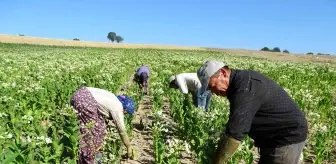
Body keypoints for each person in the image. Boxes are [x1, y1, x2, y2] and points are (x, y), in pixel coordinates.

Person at [196, 60, 308, 164]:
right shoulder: (238, 83)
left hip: (286, 137)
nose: (213, 92)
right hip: (271, 139)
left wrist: (217, 161)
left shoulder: (245, 86)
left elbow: (235, 131)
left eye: (212, 86)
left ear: (223, 73)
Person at [70, 86, 136, 164]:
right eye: (126, 113)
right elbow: (122, 130)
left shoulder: (113, 98)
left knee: (90, 129)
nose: (124, 114)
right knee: (94, 133)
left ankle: (89, 156)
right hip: (85, 101)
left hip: (78, 95)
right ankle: (90, 160)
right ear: (125, 109)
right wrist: (128, 146)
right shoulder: (118, 107)